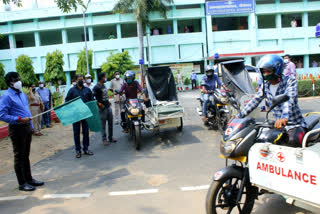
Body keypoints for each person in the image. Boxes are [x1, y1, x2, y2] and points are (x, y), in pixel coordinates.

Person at [236, 55, 307, 147]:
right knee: (260, 141)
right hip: (277, 125)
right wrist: (239, 116)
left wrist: (284, 117)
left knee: (292, 141)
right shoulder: (265, 85)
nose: (266, 74)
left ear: (277, 70)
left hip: (294, 124)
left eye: (268, 71)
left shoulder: (290, 82)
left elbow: (289, 99)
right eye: (263, 72)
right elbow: (255, 101)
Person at [0, 72, 44, 191]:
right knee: (19, 156)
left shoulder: (21, 94)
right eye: (16, 79)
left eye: (19, 79)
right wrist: (18, 119)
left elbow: (26, 110)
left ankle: (29, 179)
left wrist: (30, 127)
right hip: (17, 128)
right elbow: (2, 115)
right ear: (10, 82)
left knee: (26, 155)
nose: (19, 81)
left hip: (26, 128)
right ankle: (22, 183)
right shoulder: (6, 96)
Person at [65, 74, 94, 158]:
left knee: (86, 132)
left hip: (85, 114)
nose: (80, 81)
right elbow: (67, 101)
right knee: (76, 133)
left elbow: (92, 101)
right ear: (76, 81)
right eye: (79, 79)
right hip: (76, 115)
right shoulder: (71, 90)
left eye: (82, 79)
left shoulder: (87, 90)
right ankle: (78, 150)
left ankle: (86, 149)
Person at [93, 73, 117, 146]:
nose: (106, 78)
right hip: (102, 109)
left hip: (108, 107)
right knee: (103, 125)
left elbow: (105, 96)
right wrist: (99, 104)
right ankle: (104, 139)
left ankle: (110, 137)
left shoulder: (103, 85)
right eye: (105, 77)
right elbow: (93, 98)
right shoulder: (96, 87)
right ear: (101, 78)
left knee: (110, 123)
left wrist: (108, 102)